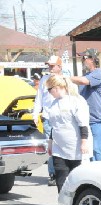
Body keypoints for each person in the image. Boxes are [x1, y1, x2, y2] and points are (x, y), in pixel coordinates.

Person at [44, 74, 92, 205]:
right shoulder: (53, 104)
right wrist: (51, 142)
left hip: (76, 146)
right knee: (61, 178)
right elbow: (54, 126)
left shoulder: (75, 101)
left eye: (49, 89)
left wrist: (84, 142)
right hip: (59, 147)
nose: (48, 92)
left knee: (78, 178)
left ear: (58, 88)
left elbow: (83, 124)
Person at [70, 48, 101, 161]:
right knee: (90, 154)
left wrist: (66, 78)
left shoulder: (99, 74)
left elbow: (83, 81)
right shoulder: (86, 76)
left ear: (92, 59)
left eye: (85, 58)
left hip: (99, 121)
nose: (83, 60)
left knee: (99, 152)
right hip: (88, 121)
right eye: (82, 58)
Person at [32, 55, 65, 186]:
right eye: (49, 66)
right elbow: (39, 98)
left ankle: (64, 172)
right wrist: (35, 114)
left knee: (62, 145)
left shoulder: (64, 80)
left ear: (59, 67)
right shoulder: (44, 80)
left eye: (52, 66)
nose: (50, 68)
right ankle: (52, 174)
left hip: (62, 118)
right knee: (51, 147)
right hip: (48, 118)